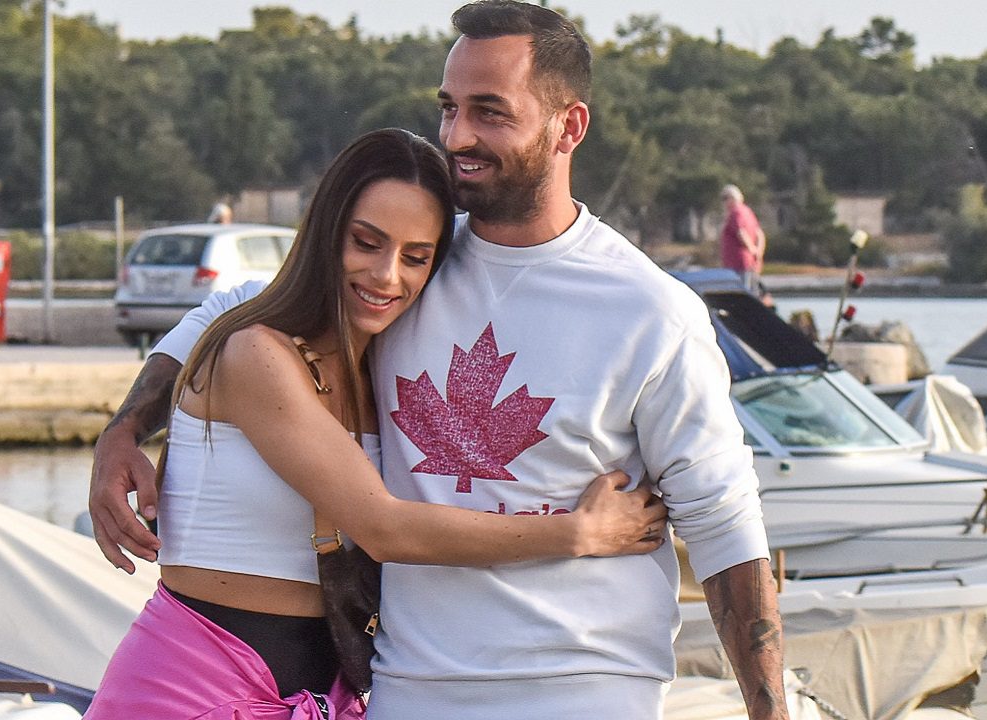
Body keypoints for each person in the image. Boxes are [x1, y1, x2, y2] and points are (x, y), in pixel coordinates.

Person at [90, 3, 788, 718]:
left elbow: (724, 524)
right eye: (449, 108)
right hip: (407, 690)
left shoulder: (651, 310)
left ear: (569, 126)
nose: (457, 136)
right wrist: (124, 430)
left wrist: (771, 710)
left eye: (490, 111)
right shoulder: (411, 263)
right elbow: (228, 315)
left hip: (584, 688)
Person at [84, 128, 668, 719]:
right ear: (325, 231)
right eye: (366, 243)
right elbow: (383, 528)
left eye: (416, 258)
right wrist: (578, 533)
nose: (387, 276)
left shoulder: (388, 363)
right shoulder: (256, 350)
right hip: (193, 689)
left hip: (327, 695)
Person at [720, 184, 767, 296]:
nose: (724, 202)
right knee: (752, 292)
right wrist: (758, 253)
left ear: (733, 198)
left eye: (725, 198)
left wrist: (752, 250)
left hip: (738, 263)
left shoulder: (736, 213)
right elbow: (760, 234)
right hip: (750, 263)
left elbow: (741, 233)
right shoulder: (748, 211)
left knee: (741, 294)